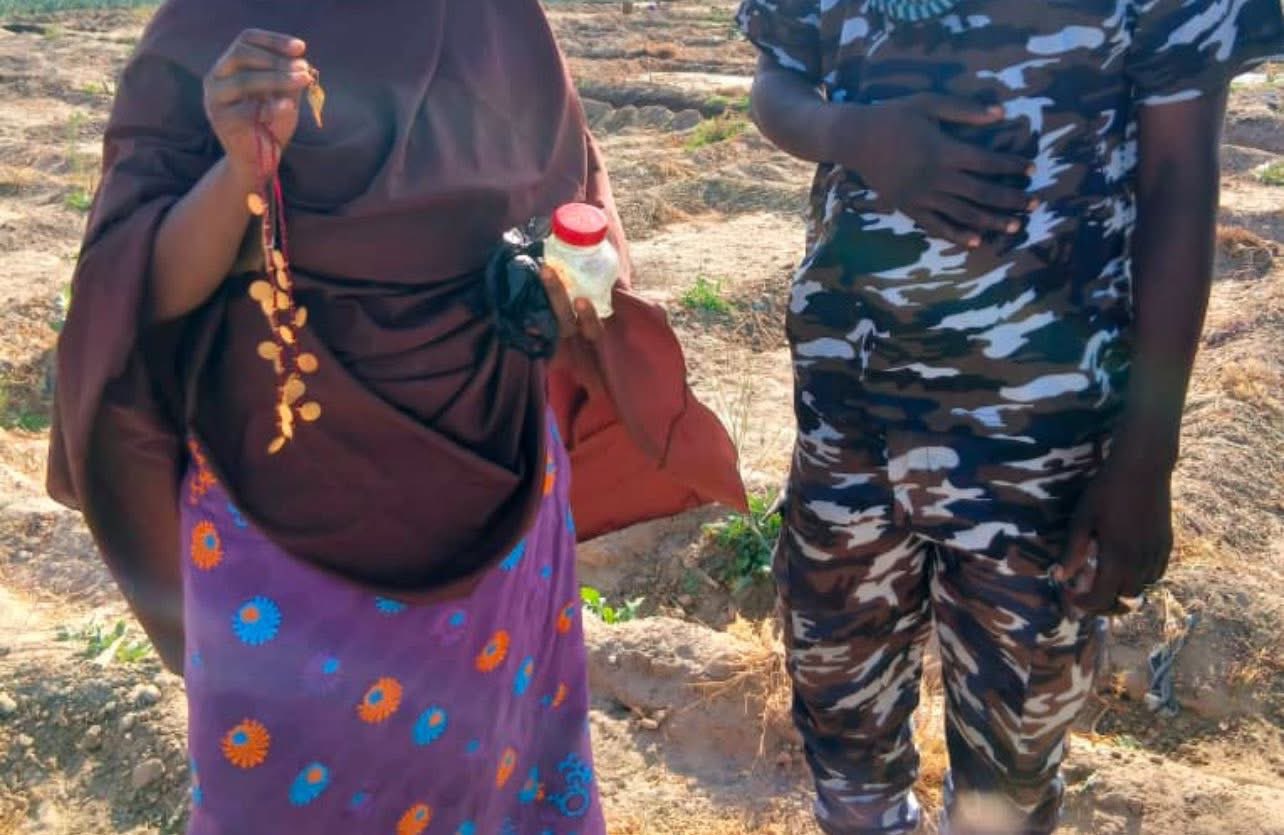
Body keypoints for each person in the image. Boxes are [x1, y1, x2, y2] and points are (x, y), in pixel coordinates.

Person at [46, 1, 746, 832]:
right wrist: (239, 170)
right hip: (282, 509)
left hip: (499, 496)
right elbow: (142, 290)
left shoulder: (501, 22)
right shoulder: (213, 23)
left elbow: (569, 218)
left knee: (497, 783)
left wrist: (561, 293)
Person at [738, 0, 1284, 832]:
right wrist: (854, 135)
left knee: (1011, 770)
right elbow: (775, 78)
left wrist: (1147, 459)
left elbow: (1179, 178)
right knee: (840, 722)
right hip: (847, 418)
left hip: (1044, 448)